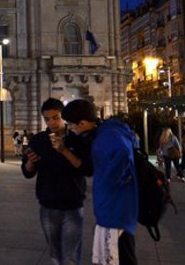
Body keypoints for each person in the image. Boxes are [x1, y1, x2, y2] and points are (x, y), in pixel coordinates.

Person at [62, 99, 138, 265]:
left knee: (119, 258)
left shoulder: (108, 135)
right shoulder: (104, 133)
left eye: (71, 124)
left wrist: (110, 179)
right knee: (109, 258)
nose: (71, 129)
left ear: (82, 123)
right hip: (109, 209)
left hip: (116, 211)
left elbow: (124, 155)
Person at [22, 98, 91, 265]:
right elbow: (28, 173)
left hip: (72, 205)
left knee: (71, 257)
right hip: (48, 205)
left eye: (56, 117)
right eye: (47, 119)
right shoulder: (39, 140)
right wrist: (30, 162)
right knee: (55, 255)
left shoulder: (76, 138)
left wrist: (64, 150)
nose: (52, 122)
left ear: (63, 117)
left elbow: (86, 169)